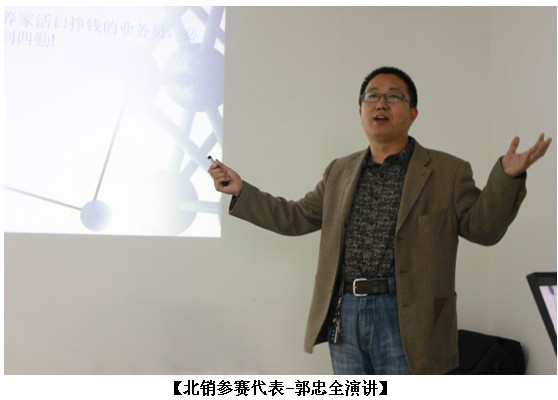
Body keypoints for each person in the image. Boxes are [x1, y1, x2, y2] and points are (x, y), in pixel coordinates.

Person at [208, 66, 551, 374]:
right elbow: (295, 217)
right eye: (372, 96)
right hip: (346, 313)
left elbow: (484, 229)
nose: (381, 103)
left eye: (394, 96)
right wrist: (242, 191)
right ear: (360, 111)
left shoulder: (447, 171)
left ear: (413, 113)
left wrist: (506, 177)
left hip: (410, 318)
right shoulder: (339, 171)